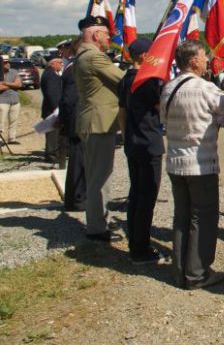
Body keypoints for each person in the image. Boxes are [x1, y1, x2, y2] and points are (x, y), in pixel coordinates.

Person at [162, 40, 224, 290]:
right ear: (193, 61)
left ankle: (181, 269)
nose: (207, 60)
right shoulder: (204, 88)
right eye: (204, 56)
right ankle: (197, 273)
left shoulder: (169, 87)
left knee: (181, 216)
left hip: (175, 162)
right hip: (200, 164)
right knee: (202, 218)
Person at [74, 16, 125, 241]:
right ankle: (96, 227)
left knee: (96, 175)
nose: (108, 39)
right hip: (99, 123)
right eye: (106, 34)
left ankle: (96, 222)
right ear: (96, 35)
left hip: (93, 121)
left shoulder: (83, 55)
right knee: (100, 178)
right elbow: (123, 80)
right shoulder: (95, 57)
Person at [117, 38, 165, 265]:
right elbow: (161, 108)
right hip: (149, 144)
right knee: (147, 197)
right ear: (145, 56)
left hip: (133, 143)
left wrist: (127, 137)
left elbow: (122, 113)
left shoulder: (126, 79)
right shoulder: (146, 81)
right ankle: (140, 249)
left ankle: (135, 242)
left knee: (136, 194)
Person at [59, 38, 86, 211]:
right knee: (78, 162)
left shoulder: (72, 68)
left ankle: (77, 196)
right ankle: (77, 199)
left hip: (76, 120)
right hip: (78, 122)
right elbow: (69, 100)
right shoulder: (75, 69)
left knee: (80, 161)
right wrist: (67, 121)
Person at [40, 57, 64, 163]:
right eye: (60, 63)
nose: (61, 65)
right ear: (53, 63)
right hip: (52, 110)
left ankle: (53, 153)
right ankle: (51, 155)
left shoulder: (48, 73)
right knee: (52, 134)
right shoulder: (51, 75)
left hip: (50, 108)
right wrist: (57, 109)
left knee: (54, 134)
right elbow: (52, 94)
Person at [0, 56, 22, 144]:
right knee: (1, 121)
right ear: (1, 64)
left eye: (8, 62)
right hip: (2, 100)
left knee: (14, 120)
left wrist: (6, 83)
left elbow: (19, 85)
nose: (8, 64)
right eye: (6, 62)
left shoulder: (14, 72)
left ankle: (12, 138)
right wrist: (13, 84)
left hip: (15, 100)